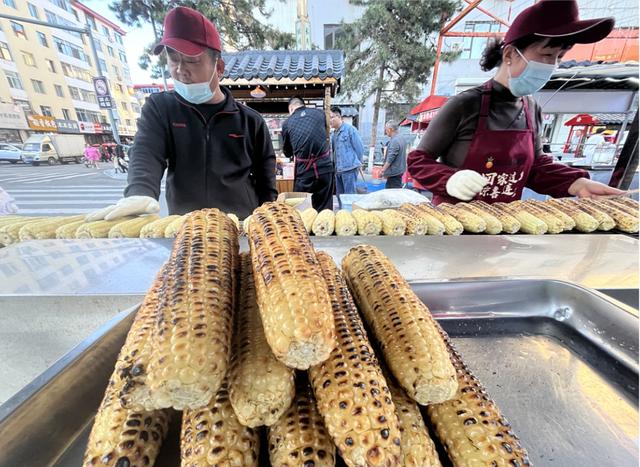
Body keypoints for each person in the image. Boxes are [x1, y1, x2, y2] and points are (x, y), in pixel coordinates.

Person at [407, 0, 623, 204]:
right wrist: (449, 179)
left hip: (505, 228)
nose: (552, 65)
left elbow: (535, 167)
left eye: (559, 57)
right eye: (547, 54)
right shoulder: (464, 104)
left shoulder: (532, 108)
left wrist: (575, 182)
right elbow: (418, 160)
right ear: (510, 54)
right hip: (452, 229)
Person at [86, 6, 277, 222]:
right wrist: (140, 191)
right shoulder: (161, 108)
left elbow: (266, 179)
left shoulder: (250, 121)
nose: (180, 69)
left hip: (239, 224)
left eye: (192, 60)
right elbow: (146, 151)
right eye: (173, 59)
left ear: (219, 67)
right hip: (186, 228)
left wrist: (267, 218)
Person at [281, 97, 335, 210]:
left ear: (291, 108)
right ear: (303, 104)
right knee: (325, 208)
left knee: (299, 208)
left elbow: (287, 153)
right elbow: (324, 134)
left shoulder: (287, 123)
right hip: (325, 168)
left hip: (305, 172)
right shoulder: (320, 113)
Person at [330, 106, 365, 195]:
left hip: (350, 169)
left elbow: (359, 148)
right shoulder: (333, 134)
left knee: (349, 196)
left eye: (332, 117)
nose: (330, 120)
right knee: (340, 196)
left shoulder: (350, 130)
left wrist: (358, 164)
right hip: (338, 170)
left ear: (339, 117)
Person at [381, 121, 407, 189]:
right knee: (396, 190)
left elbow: (390, 158)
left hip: (394, 172)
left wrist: (383, 170)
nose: (385, 132)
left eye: (386, 130)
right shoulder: (402, 138)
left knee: (392, 193)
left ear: (390, 129)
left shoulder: (395, 140)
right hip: (399, 170)